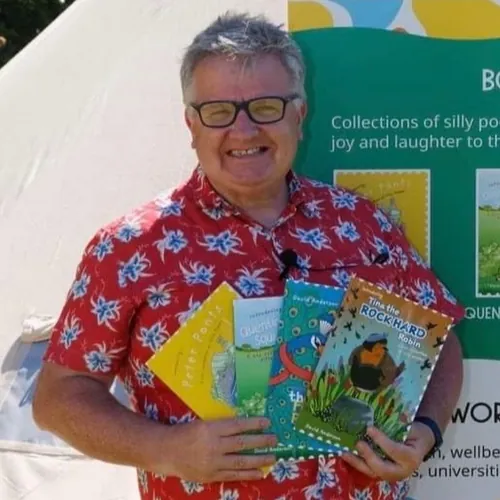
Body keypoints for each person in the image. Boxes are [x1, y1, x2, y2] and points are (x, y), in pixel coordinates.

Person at [32, 11, 465, 500]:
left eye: (266, 107)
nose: (243, 130)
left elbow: (439, 338)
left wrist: (425, 431)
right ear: (191, 124)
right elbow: (58, 397)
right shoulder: (131, 247)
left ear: (299, 115)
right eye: (219, 111)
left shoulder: (363, 224)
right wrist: (167, 449)